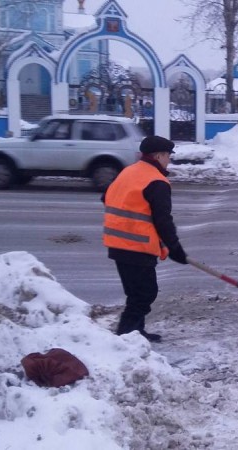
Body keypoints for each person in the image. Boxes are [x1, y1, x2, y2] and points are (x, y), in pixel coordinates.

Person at [102, 135, 189, 342]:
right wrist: (175, 248)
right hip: (136, 246)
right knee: (145, 294)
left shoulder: (129, 171)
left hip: (116, 243)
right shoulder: (157, 182)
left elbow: (106, 197)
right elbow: (163, 220)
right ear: (159, 155)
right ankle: (124, 337)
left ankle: (135, 333)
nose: (169, 160)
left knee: (135, 294)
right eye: (168, 156)